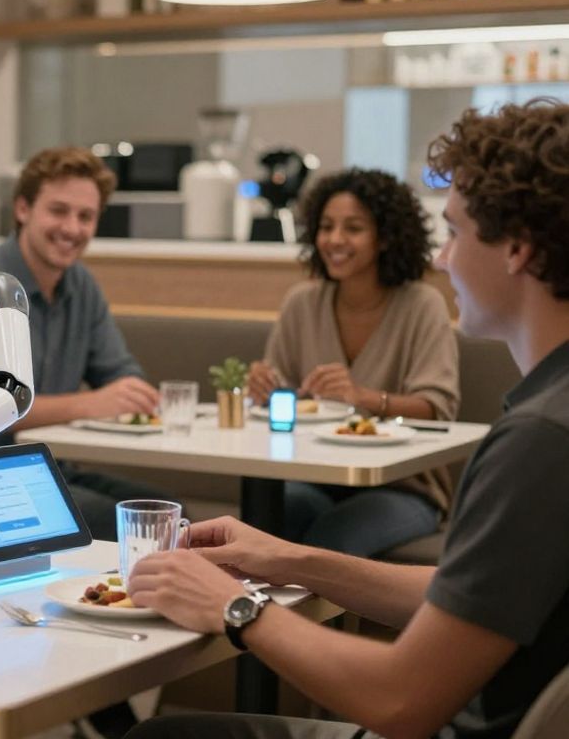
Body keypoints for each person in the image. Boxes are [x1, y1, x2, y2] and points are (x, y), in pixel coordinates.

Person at [125, 98, 569, 739]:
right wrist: (289, 559)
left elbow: (400, 701)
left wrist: (234, 606)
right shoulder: (550, 412)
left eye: (454, 233)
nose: (442, 259)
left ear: (518, 249)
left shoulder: (539, 442)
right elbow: (468, 594)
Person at [246, 168, 459, 557]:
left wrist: (361, 397)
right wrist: (264, 391)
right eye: (326, 227)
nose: (334, 239)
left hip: (403, 488)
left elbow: (437, 409)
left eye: (353, 228)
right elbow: (283, 402)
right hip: (315, 475)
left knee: (333, 538)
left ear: (386, 237)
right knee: (269, 516)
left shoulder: (421, 305)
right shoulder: (301, 303)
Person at [0, 147, 171, 542]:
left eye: (86, 216)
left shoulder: (81, 285)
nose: (72, 228)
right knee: (125, 525)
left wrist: (131, 394)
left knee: (164, 513)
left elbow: (121, 374)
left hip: (51, 467)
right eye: (58, 211)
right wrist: (90, 404)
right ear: (22, 209)